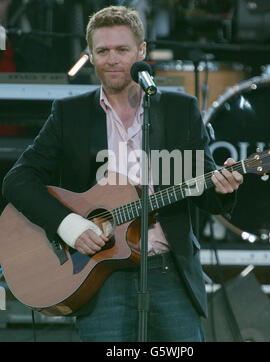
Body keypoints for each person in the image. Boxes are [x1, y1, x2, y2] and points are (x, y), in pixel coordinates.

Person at [2, 5, 243, 342]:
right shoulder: (70, 115)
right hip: (98, 275)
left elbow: (202, 186)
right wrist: (67, 225)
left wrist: (223, 187)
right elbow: (17, 180)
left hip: (167, 271)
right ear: (90, 55)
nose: (112, 59)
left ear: (141, 52)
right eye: (102, 51)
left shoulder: (178, 110)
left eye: (122, 50)